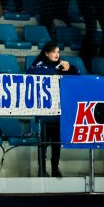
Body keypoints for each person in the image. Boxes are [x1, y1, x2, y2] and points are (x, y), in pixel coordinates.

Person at [27, 41, 78, 177]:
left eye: (58, 52)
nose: (56, 54)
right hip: (43, 112)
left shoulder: (61, 64)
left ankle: (55, 168)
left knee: (56, 143)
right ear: (46, 53)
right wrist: (56, 71)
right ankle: (42, 170)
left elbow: (77, 74)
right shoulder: (39, 64)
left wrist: (70, 68)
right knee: (43, 143)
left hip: (58, 111)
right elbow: (31, 73)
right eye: (54, 52)